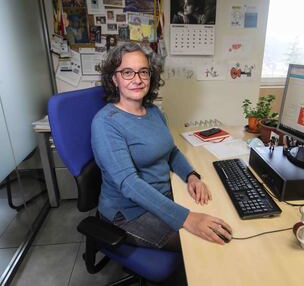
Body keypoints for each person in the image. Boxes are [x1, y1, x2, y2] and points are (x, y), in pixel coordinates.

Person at [91, 42, 232, 253]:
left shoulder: (153, 111)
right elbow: (129, 184)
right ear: (114, 78)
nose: (137, 79)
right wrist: (187, 218)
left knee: (221, 214)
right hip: (129, 212)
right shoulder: (105, 123)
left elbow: (171, 151)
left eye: (143, 72)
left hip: (163, 196)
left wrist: (192, 176)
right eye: (127, 72)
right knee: (204, 245)